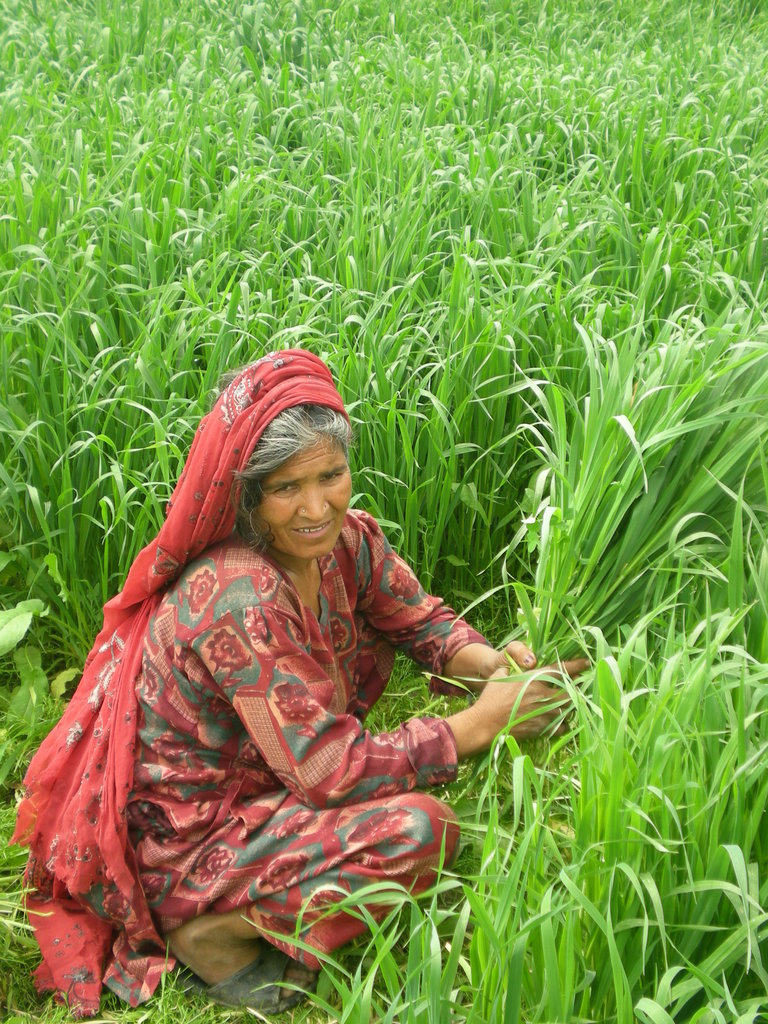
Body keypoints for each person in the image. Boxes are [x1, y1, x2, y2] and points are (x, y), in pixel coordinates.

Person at [13, 350, 587, 1017]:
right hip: (192, 842)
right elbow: (325, 769)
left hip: (272, 790)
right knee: (420, 831)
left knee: (415, 817)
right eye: (286, 488)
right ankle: (207, 931)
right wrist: (482, 723)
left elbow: (420, 621)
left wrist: (488, 664)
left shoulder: (346, 542)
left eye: (331, 475)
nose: (316, 506)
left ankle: (252, 911)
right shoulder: (235, 594)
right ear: (249, 492)